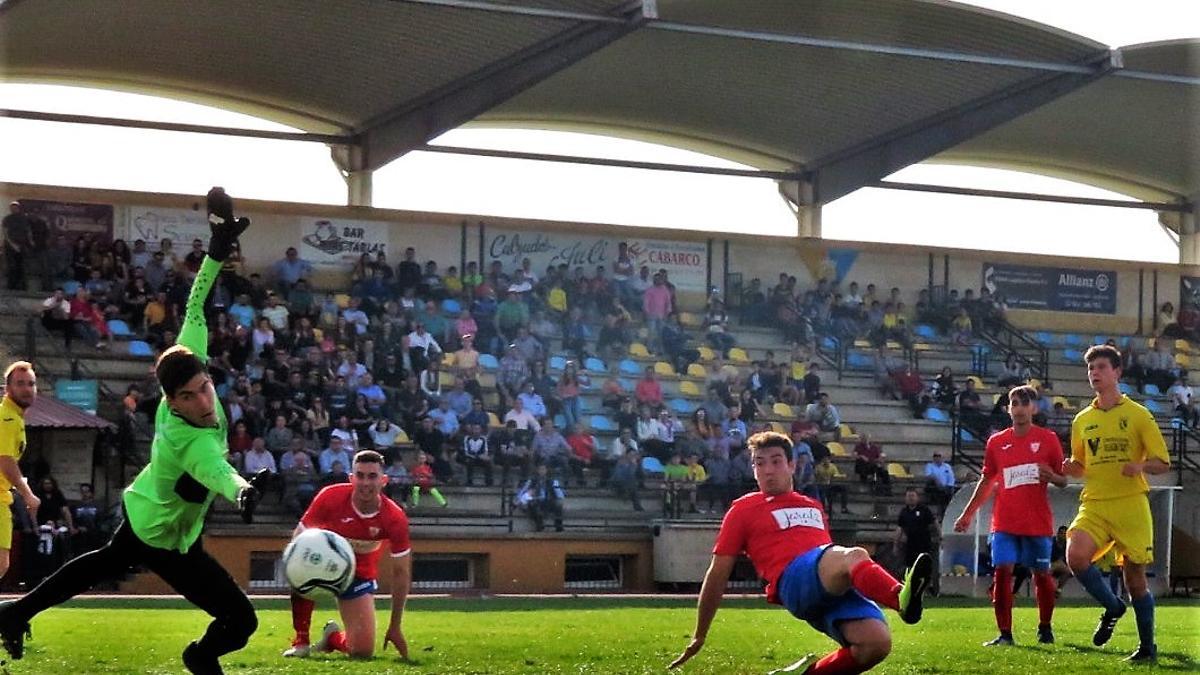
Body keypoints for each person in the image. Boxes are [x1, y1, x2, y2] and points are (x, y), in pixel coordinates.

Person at [0, 189, 266, 673]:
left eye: (206, 388)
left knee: (99, 563)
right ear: (172, 402)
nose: (205, 400)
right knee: (241, 622)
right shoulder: (190, 441)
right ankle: (199, 657)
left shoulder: (188, 363)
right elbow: (217, 470)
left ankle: (15, 613)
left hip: (150, 507)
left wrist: (216, 250)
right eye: (191, 396)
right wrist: (243, 492)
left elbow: (195, 306)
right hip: (161, 534)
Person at [669, 432, 932, 674]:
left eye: (776, 461)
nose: (767, 470)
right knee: (855, 555)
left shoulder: (813, 506)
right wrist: (700, 634)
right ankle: (901, 599)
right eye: (759, 463)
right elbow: (717, 572)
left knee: (875, 644)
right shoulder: (742, 509)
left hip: (826, 580)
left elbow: (825, 552)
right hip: (793, 580)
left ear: (792, 465)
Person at [1063, 345, 1170, 663]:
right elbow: (1081, 465)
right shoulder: (1082, 420)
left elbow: (1162, 462)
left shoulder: (1138, 414)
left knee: (1134, 579)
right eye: (1090, 368)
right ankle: (1112, 606)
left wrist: (1141, 466)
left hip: (1130, 504)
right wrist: (1071, 468)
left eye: (1100, 367)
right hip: (1095, 503)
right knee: (1075, 556)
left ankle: (1147, 648)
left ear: (1117, 372)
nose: (1094, 373)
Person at [953, 384, 1068, 646]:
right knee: (1002, 571)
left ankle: (1045, 627)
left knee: (1041, 575)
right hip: (1004, 521)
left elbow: (1063, 480)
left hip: (1037, 522)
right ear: (1007, 409)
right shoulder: (996, 442)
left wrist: (1052, 476)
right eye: (1014, 403)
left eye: (1024, 403)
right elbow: (987, 481)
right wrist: (967, 514)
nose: (1019, 408)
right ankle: (1005, 633)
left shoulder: (1048, 439)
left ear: (1034, 408)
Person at [283, 450, 410, 660]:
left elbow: (401, 572)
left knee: (362, 651)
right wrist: (299, 564)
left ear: (384, 480)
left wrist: (395, 626)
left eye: (372, 476)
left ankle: (332, 637)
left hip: (359, 575)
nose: (365, 483)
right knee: (301, 563)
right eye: (360, 475)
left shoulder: (394, 518)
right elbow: (299, 540)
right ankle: (301, 641)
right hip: (321, 564)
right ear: (351, 478)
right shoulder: (330, 496)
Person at [0, 362, 41, 579]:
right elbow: (5, 459)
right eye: (20, 383)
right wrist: (28, 495)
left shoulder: (13, 417)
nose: (27, 389)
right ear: (8, 388)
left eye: (31, 384)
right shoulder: (6, 418)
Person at [894, 488, 937, 589]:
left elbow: (934, 523)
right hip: (910, 544)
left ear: (917, 497)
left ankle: (928, 586)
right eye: (909, 496)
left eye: (913, 496)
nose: (911, 498)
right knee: (909, 565)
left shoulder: (924, 510)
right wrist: (896, 544)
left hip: (924, 543)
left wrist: (940, 536)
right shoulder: (904, 512)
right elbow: (899, 528)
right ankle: (910, 585)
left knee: (924, 564)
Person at [514, 463, 565, 532]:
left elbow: (559, 494)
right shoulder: (532, 481)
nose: (542, 471)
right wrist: (521, 499)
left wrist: (558, 498)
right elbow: (522, 491)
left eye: (543, 469)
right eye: (540, 469)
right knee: (532, 505)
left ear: (546, 470)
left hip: (548, 501)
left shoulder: (552, 481)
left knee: (558, 505)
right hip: (536, 501)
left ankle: (558, 526)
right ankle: (539, 524)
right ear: (537, 471)